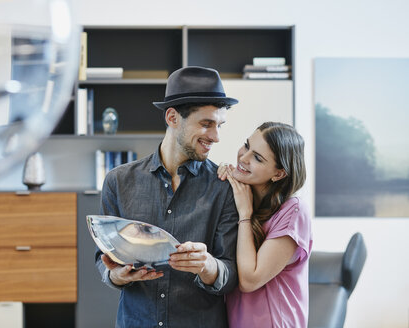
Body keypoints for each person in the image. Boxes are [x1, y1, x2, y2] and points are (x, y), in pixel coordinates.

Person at [95, 66, 240, 328]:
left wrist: (207, 266)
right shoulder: (118, 181)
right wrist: (117, 275)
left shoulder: (225, 188)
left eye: (219, 125)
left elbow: (231, 274)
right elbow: (103, 259)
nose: (216, 136)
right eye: (206, 124)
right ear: (173, 118)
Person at [217, 122, 312, 328]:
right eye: (246, 146)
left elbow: (250, 280)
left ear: (279, 174)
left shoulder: (293, 211)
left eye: (257, 158)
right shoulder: (242, 197)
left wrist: (244, 214)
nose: (243, 157)